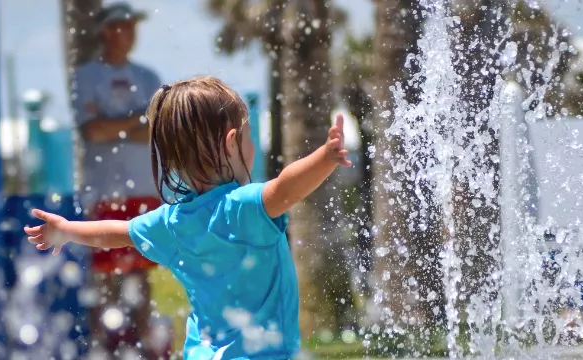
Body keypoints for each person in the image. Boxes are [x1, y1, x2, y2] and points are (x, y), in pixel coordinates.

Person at [26, 76, 352, 359]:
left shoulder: (171, 222)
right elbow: (286, 187)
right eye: (249, 137)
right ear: (232, 143)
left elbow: (116, 232)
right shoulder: (243, 208)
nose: (252, 147)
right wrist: (325, 157)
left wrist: (66, 230)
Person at [71, 2, 164, 357]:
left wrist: (117, 124)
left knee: (140, 275)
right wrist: (135, 121)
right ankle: (101, 349)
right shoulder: (87, 76)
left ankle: (143, 347)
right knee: (104, 276)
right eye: (123, 25)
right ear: (106, 31)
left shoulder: (148, 76)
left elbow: (155, 130)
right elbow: (93, 131)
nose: (130, 32)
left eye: (132, 25)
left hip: (143, 190)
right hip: (104, 192)